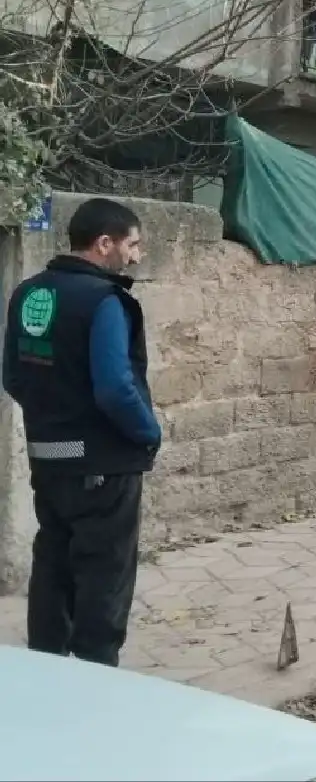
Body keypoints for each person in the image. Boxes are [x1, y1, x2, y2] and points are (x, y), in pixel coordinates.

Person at [2, 197, 161, 667]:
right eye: (132, 245)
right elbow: (115, 389)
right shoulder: (105, 301)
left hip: (48, 460)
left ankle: (46, 671)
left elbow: (13, 376)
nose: (136, 256)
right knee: (103, 579)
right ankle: (96, 684)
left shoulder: (30, 293)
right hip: (103, 466)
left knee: (52, 565)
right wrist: (148, 433)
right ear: (104, 243)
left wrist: (54, 419)